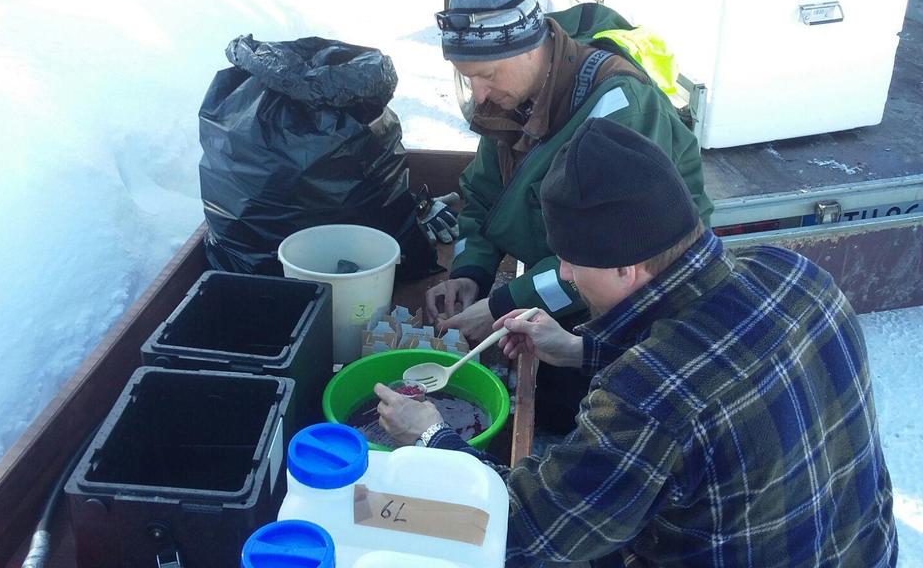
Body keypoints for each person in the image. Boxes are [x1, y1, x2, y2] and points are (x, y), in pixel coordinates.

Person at [375, 118, 897, 567]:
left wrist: (432, 439)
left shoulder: (644, 397)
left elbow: (526, 535)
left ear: (626, 264)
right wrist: (581, 349)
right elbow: (708, 366)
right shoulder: (792, 272)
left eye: (572, 260)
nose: (567, 275)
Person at [426, 0, 713, 345]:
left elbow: (609, 262)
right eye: (467, 79)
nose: (480, 94)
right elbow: (482, 195)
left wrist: (504, 304)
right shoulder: (513, 97)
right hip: (563, 279)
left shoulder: (619, 110)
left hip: (638, 303)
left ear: (529, 48)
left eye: (486, 75)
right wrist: (472, 271)